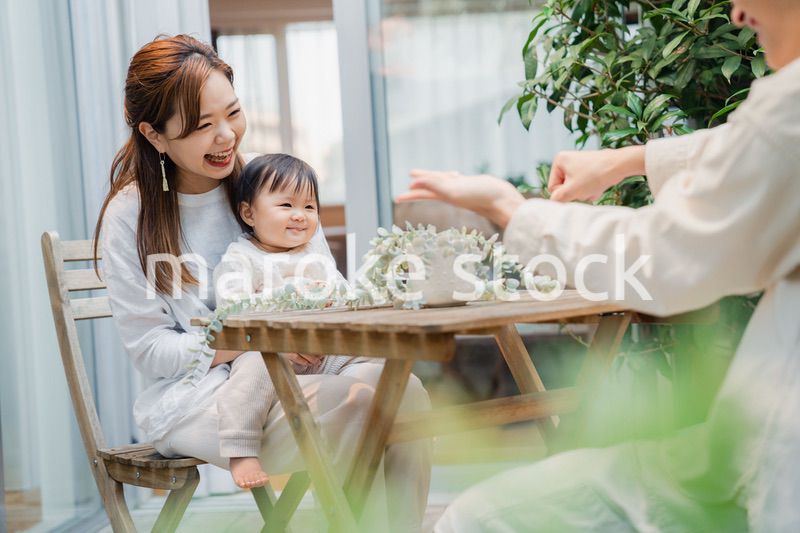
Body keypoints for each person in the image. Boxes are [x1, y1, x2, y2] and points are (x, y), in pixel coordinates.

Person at [398, 0, 800, 530]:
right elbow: (749, 150)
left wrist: (510, 209)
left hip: (772, 450)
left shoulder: (788, 104)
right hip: (749, 442)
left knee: (481, 516)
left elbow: (663, 257)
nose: (738, 13)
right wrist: (625, 160)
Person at [94, 34, 431, 531]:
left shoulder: (266, 187)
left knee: (406, 391)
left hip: (302, 372)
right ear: (154, 134)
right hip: (201, 398)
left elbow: (321, 290)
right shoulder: (131, 217)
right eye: (202, 126)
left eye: (232, 113)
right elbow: (150, 352)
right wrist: (248, 343)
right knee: (358, 406)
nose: (226, 136)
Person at [211, 153, 379, 489]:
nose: (300, 216)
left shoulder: (314, 257)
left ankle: (403, 421)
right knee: (249, 374)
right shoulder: (242, 259)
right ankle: (241, 450)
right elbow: (233, 313)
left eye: (310, 207)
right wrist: (289, 294)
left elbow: (344, 297)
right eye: (286, 205)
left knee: (377, 360)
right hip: (271, 357)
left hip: (324, 355)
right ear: (249, 213)